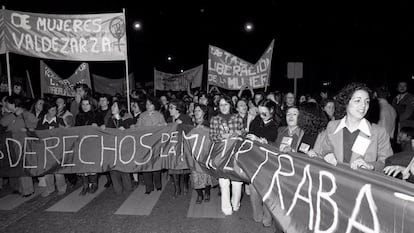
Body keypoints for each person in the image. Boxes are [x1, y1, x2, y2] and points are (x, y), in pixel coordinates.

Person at [314, 83, 393, 170]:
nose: (363, 105)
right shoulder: (332, 126)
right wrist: (327, 154)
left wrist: (371, 166)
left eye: (367, 102)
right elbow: (325, 149)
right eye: (357, 101)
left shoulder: (379, 132)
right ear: (346, 102)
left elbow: (387, 163)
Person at [246, 99, 279, 227]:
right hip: (254, 160)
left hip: (270, 162)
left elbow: (276, 144)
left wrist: (260, 140)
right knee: (254, 189)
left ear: (271, 110)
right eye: (259, 111)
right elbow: (250, 135)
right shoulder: (256, 121)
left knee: (268, 191)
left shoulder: (277, 124)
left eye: (264, 111)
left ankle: (267, 217)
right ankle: (257, 215)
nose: (261, 114)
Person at [209, 96, 245, 216]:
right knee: (223, 182)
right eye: (221, 105)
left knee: (237, 182)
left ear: (230, 105)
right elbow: (212, 136)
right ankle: (226, 207)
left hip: (235, 153)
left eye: (226, 104)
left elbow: (243, 133)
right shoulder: (215, 119)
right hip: (221, 153)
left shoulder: (238, 118)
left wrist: (240, 133)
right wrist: (221, 137)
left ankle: (236, 204)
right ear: (218, 107)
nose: (224, 107)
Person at [0, 95, 37, 197]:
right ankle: (19, 187)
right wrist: (14, 115)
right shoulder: (11, 115)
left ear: (13, 104)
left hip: (24, 145)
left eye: (7, 103)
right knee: (16, 167)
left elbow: (35, 128)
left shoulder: (27, 115)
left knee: (23, 167)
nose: (6, 104)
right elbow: (2, 123)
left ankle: (27, 190)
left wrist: (28, 130)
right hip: (12, 145)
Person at [134, 97, 166, 194]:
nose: (148, 106)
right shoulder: (142, 115)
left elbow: (165, 127)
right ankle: (149, 187)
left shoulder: (159, 115)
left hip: (156, 143)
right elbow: (137, 127)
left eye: (150, 104)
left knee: (156, 165)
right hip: (145, 144)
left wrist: (163, 126)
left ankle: (158, 184)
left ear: (154, 105)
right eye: (147, 104)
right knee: (145, 165)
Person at [36, 102, 67, 197]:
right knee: (48, 170)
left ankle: (61, 187)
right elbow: (38, 135)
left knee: (58, 170)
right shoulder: (41, 121)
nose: (55, 112)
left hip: (57, 148)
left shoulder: (59, 120)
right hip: (46, 149)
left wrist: (64, 129)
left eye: (55, 110)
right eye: (52, 110)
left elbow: (65, 133)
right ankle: (50, 188)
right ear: (47, 111)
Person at [191, 104, 217, 203]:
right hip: (193, 154)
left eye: (199, 111)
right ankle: (199, 194)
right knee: (195, 175)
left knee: (206, 175)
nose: (196, 113)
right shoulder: (190, 124)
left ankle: (207, 192)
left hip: (205, 154)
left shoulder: (208, 124)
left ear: (204, 112)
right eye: (195, 111)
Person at [105, 101, 133, 194]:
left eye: (114, 106)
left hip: (123, 147)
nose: (112, 107)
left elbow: (131, 131)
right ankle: (118, 188)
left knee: (124, 168)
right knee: (113, 168)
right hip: (112, 147)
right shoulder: (110, 119)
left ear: (120, 108)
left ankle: (128, 187)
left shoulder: (126, 118)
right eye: (112, 105)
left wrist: (125, 129)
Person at [167, 99, 193, 198]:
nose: (169, 110)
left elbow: (191, 130)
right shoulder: (169, 120)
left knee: (184, 168)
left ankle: (185, 185)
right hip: (172, 147)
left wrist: (182, 124)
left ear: (178, 109)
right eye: (169, 107)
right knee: (173, 167)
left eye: (171, 108)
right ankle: (177, 189)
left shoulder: (186, 118)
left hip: (183, 146)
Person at [75, 97, 100, 195]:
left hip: (93, 144)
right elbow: (76, 129)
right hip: (82, 144)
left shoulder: (97, 115)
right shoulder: (78, 116)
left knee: (92, 164)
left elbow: (102, 128)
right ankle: (85, 185)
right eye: (83, 104)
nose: (85, 107)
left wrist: (97, 126)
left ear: (91, 105)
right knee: (82, 165)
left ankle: (94, 183)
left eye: (87, 104)